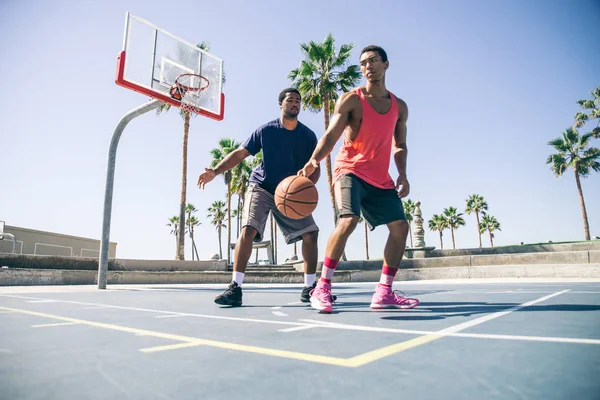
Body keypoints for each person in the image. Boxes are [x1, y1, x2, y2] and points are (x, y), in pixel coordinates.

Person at [299, 45, 420, 313]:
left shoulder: (399, 107)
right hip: (350, 170)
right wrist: (314, 160)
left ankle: (384, 292)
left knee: (400, 228)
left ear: (386, 65)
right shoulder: (351, 100)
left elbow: (400, 144)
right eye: (364, 63)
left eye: (374, 61)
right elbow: (331, 135)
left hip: (380, 177)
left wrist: (402, 173)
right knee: (348, 219)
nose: (368, 66)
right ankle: (322, 287)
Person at [198, 88, 322, 306]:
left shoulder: (308, 136)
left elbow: (315, 166)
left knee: (311, 234)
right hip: (262, 187)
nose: (295, 104)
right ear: (281, 104)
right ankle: (235, 288)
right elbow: (240, 153)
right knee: (248, 229)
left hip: (290, 193)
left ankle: (310, 288)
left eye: (298, 101)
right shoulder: (266, 130)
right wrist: (215, 171)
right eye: (290, 100)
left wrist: (308, 186)